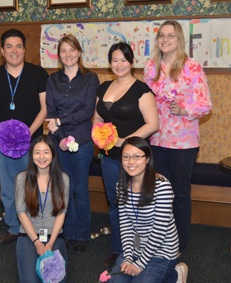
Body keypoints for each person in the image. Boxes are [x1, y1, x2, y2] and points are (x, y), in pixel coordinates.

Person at [143, 20, 212, 253]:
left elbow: (206, 104)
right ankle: (161, 241)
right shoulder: (150, 68)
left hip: (184, 143)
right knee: (160, 193)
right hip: (157, 139)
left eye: (170, 36)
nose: (165, 39)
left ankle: (179, 244)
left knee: (180, 193)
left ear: (179, 39)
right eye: (161, 35)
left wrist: (185, 109)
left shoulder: (192, 68)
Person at [0, 29, 49, 245]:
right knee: (9, 187)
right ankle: (14, 227)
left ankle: (37, 228)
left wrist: (27, 132)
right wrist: (3, 132)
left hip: (33, 142)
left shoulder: (38, 74)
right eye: (9, 46)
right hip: (4, 144)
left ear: (25, 50)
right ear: (2, 50)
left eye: (18, 46)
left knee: (35, 185)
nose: (14, 50)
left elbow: (45, 109)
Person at [93, 42, 159, 267]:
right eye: (114, 60)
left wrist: (125, 142)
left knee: (137, 203)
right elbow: (98, 118)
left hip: (135, 159)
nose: (119, 64)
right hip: (109, 157)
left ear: (132, 62)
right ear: (110, 63)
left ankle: (141, 250)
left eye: (123, 59)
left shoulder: (142, 90)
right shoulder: (103, 88)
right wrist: (99, 135)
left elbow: (153, 124)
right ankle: (118, 248)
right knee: (115, 202)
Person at [46, 35, 99, 252]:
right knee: (61, 188)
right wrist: (60, 138)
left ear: (79, 52)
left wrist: (62, 122)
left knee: (79, 188)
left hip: (82, 140)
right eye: (63, 51)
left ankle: (81, 233)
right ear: (59, 55)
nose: (68, 55)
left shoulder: (90, 78)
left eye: (72, 50)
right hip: (58, 141)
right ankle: (65, 230)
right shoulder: (52, 79)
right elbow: (50, 113)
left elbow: (87, 111)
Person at [108, 137, 187, 283]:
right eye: (126, 157)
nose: (131, 162)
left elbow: (159, 230)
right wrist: (128, 257)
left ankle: (175, 275)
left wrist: (140, 263)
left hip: (162, 251)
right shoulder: (121, 185)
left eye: (137, 156)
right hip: (135, 248)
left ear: (147, 158)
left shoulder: (162, 186)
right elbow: (125, 224)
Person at [15, 135, 69, 283]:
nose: (42, 156)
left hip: (54, 235)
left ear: (53, 154)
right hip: (28, 236)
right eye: (37, 152)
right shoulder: (22, 178)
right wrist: (37, 242)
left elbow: (61, 213)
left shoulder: (63, 179)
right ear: (32, 155)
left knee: (55, 279)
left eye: (46, 152)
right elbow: (21, 213)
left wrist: (50, 243)